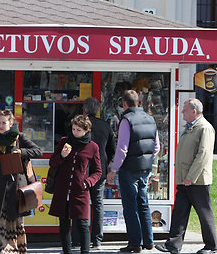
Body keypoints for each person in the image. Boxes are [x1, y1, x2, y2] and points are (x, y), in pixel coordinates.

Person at [155, 98, 217, 254]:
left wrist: (191, 177)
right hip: (185, 179)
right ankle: (173, 245)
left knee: (204, 213)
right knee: (179, 212)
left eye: (185, 109)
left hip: (197, 180)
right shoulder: (190, 127)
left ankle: (212, 246)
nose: (182, 112)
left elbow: (203, 155)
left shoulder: (204, 128)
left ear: (194, 111)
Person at [0, 109, 42, 254]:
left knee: (14, 221)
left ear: (11, 123)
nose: (0, 125)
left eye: (4, 122)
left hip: (15, 185)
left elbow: (38, 151)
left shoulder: (19, 137)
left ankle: (14, 249)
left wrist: (22, 152)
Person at [106, 90, 159, 253]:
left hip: (129, 169)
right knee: (143, 204)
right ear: (138, 102)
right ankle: (149, 241)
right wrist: (147, 159)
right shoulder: (150, 119)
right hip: (145, 169)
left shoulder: (126, 120)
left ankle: (135, 243)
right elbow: (156, 147)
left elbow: (122, 149)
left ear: (124, 104)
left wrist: (113, 169)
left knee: (130, 206)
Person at [49, 115, 102, 254]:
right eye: (73, 129)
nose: (75, 132)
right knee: (64, 223)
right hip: (63, 188)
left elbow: (98, 171)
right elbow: (52, 162)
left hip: (80, 189)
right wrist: (62, 156)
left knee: (83, 224)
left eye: (78, 130)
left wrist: (87, 183)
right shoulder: (64, 142)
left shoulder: (93, 147)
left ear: (86, 130)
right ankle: (67, 251)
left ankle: (85, 251)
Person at [72, 97, 116, 249]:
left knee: (78, 203)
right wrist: (106, 161)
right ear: (98, 109)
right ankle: (97, 239)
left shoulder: (77, 126)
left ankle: (77, 239)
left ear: (84, 109)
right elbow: (112, 149)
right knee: (98, 204)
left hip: (81, 169)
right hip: (99, 170)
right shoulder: (105, 126)